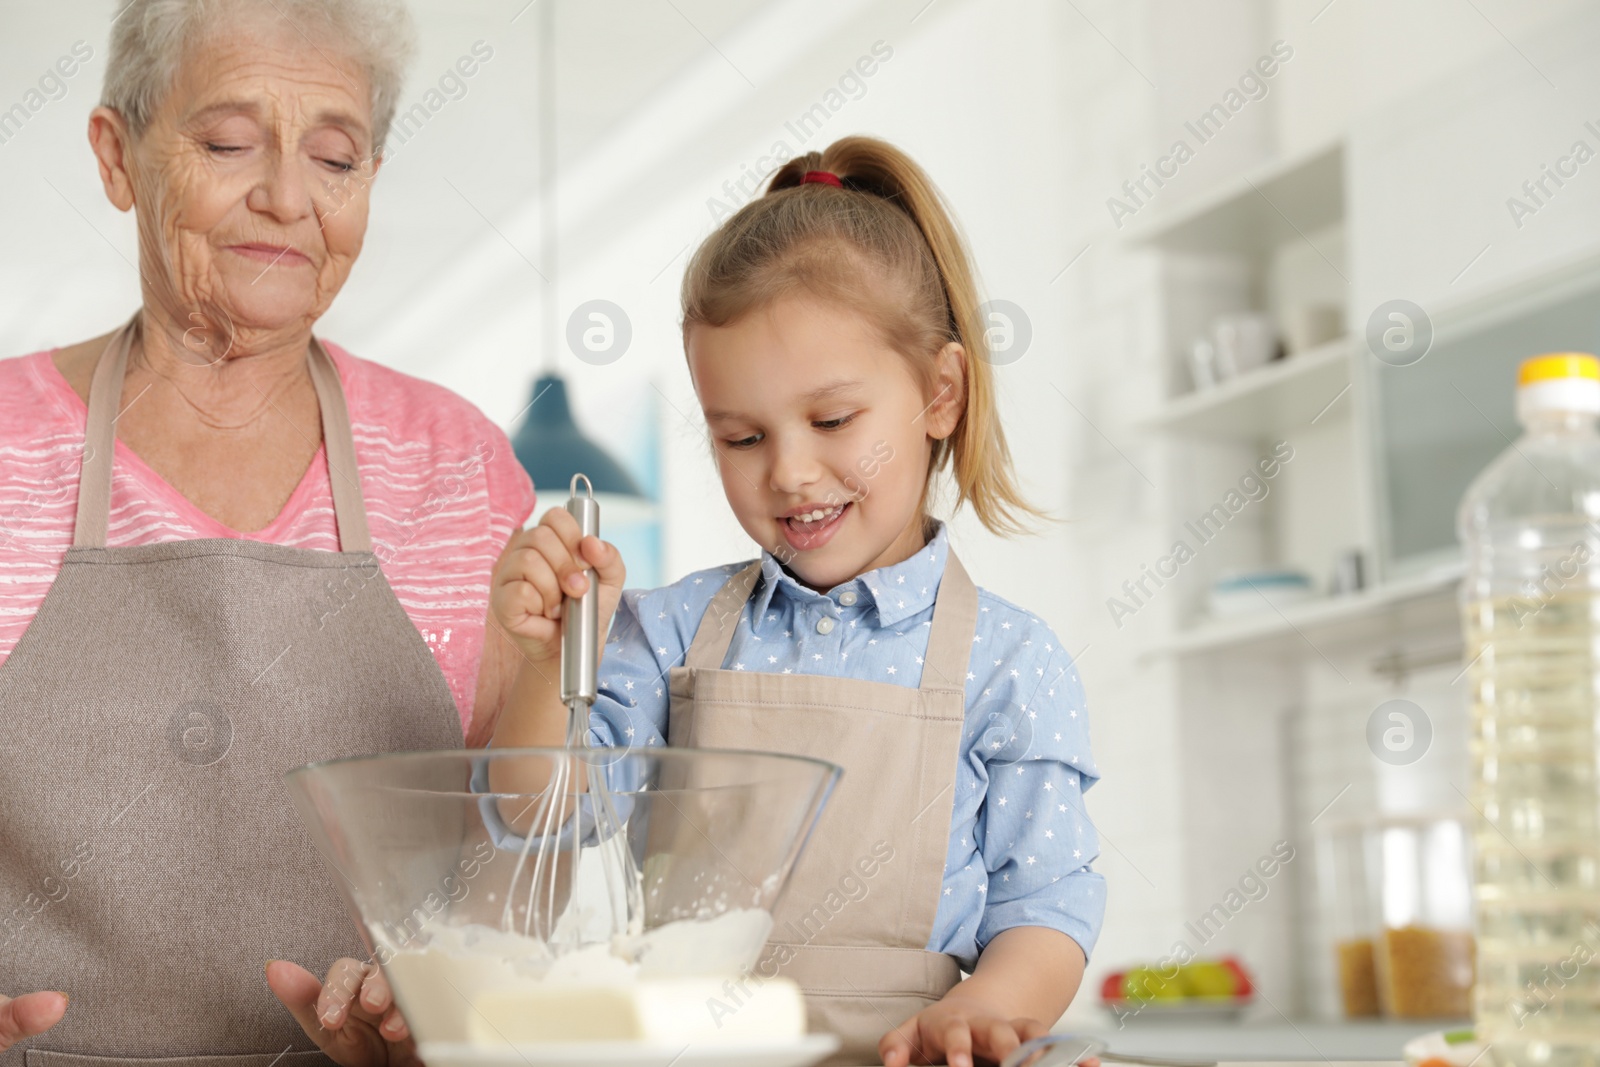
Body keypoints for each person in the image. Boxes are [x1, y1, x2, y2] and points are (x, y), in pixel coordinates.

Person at [488, 136, 1106, 1067]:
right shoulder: (670, 636)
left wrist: (983, 1011)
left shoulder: (1012, 664)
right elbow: (543, 817)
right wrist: (545, 668)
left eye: (831, 421)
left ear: (939, 394)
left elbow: (1048, 908)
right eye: (741, 437)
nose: (789, 471)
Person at [0, 1, 538, 1063]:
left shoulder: (458, 466)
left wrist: (452, 1007)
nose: (286, 196)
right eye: (229, 143)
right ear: (117, 157)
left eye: (333, 158)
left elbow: (535, 852)